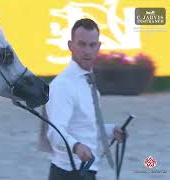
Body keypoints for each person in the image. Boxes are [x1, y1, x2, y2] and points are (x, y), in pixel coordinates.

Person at [42, 18, 126, 180]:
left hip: (85, 171)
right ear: (70, 46)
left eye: (92, 45)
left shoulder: (87, 82)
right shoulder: (63, 85)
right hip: (68, 172)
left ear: (98, 47)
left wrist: (110, 131)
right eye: (81, 44)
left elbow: (85, 126)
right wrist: (76, 146)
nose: (87, 51)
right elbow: (55, 132)